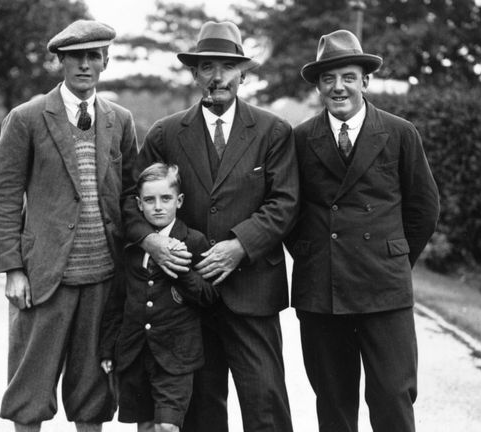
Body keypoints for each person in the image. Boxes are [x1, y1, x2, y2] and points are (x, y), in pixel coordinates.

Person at [124, 21, 299, 432]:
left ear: (243, 74)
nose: (217, 77)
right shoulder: (166, 133)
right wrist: (153, 243)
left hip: (253, 291)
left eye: (227, 67)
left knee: (265, 404)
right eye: (207, 67)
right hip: (185, 296)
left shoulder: (273, 131)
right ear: (195, 74)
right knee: (200, 410)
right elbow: (130, 202)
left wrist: (239, 246)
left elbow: (285, 203)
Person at [0, 19, 138, 432]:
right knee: (30, 391)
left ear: (105, 61)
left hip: (103, 277)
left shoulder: (120, 120)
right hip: (44, 275)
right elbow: (2, 197)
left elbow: (130, 195)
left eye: (93, 56)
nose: (85, 66)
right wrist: (12, 268)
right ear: (60, 62)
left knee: (92, 393)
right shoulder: (27, 118)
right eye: (75, 58)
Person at [287, 29, 440, 432]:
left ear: (365, 81)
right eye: (329, 79)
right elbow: (288, 211)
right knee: (334, 403)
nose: (339, 88)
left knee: (393, 397)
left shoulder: (400, 132)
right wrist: (312, 253)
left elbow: (424, 209)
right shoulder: (301, 139)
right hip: (322, 291)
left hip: (384, 289)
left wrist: (393, 256)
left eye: (348, 77)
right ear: (319, 85)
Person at [99, 162, 219, 432]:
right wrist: (108, 348)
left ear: (179, 201)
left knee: (167, 426)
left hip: (176, 357)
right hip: (136, 352)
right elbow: (118, 301)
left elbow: (210, 296)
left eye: (165, 199)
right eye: (149, 200)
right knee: (146, 426)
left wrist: (180, 270)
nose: (158, 206)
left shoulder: (194, 241)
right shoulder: (131, 247)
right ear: (139, 205)